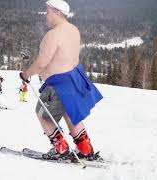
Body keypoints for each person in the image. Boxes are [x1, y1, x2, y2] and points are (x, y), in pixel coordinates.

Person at [20, 0, 103, 161]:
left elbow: (42, 62)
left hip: (58, 84)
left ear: (58, 12)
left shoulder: (53, 35)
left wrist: (26, 74)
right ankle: (85, 149)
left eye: (48, 11)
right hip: (74, 79)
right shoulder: (74, 30)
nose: (46, 14)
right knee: (71, 115)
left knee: (43, 115)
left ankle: (61, 149)